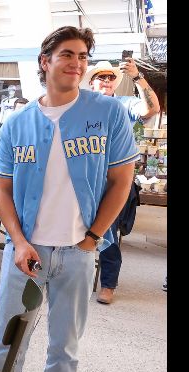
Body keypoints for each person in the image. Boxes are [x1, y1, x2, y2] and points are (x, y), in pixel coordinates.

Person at [0, 26, 138, 372]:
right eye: (68, 55)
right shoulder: (18, 122)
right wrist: (19, 240)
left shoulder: (108, 113)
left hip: (78, 255)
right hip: (25, 252)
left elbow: (122, 180)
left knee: (65, 344)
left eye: (83, 56)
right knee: (9, 339)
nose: (77, 64)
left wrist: (92, 239)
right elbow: (1, 189)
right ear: (45, 61)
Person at [82, 59, 160, 305]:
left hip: (113, 180)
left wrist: (138, 78)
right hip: (83, 177)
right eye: (100, 77)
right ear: (91, 81)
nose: (106, 81)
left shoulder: (124, 104)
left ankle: (108, 283)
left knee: (107, 232)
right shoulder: (81, 104)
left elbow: (152, 108)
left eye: (110, 77)